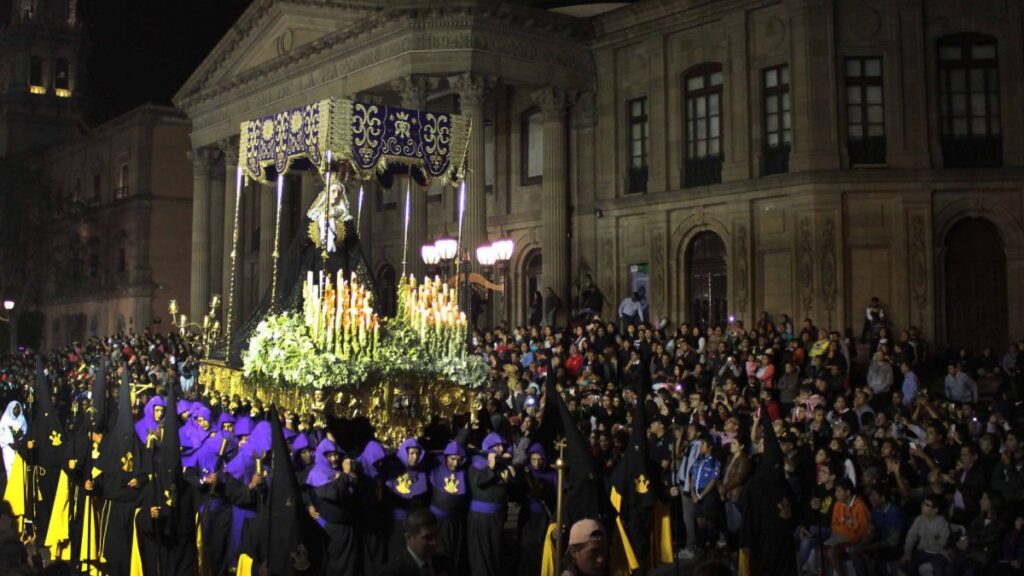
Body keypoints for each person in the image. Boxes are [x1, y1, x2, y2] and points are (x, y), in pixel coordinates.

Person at [380, 508, 451, 576]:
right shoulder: (392, 572)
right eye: (427, 538)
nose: (434, 542)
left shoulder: (446, 564)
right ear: (409, 537)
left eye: (435, 536)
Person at [0, 401, 26, 479]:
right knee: (10, 470)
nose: (17, 410)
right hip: (8, 449)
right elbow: (1, 435)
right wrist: (10, 443)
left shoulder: (22, 419)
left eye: (18, 408)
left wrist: (20, 440)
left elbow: (25, 432)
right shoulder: (5, 420)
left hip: (19, 448)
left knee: (19, 471)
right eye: (15, 408)